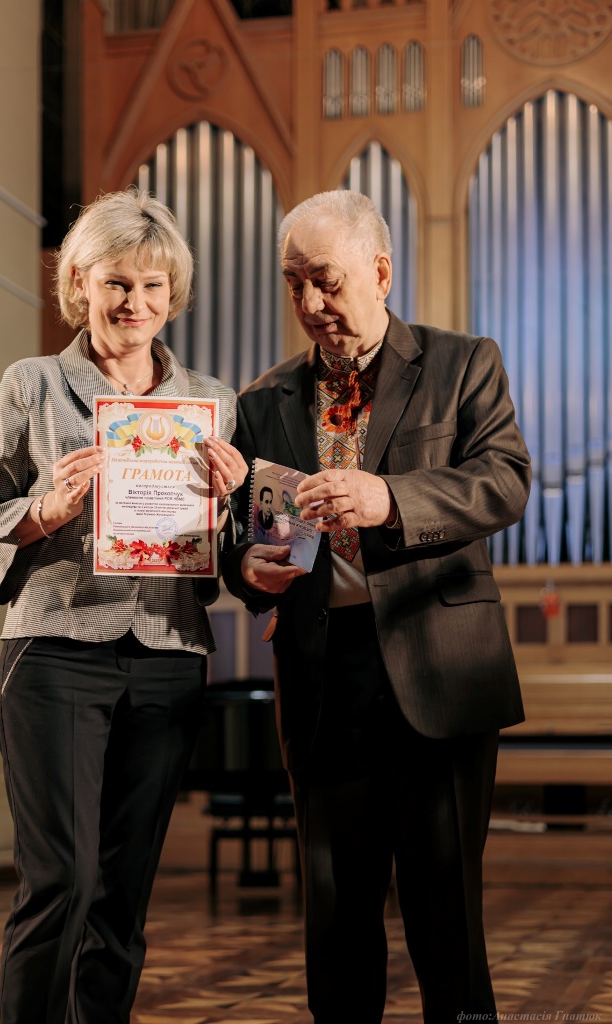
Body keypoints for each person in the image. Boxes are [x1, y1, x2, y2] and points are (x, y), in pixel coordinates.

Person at [222, 190, 530, 1023]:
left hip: (439, 664)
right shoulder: (262, 401)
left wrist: (388, 498)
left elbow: (505, 480)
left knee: (446, 913)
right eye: (293, 283)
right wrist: (248, 566)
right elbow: (242, 539)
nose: (309, 302)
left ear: (381, 272)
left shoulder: (463, 363)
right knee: (336, 912)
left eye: (325, 280)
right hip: (324, 674)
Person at [0, 189, 247, 1024]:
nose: (134, 304)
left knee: (123, 894)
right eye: (116, 282)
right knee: (62, 881)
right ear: (79, 283)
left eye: (153, 286)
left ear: (174, 293)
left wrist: (232, 506)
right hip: (54, 653)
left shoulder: (214, 404)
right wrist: (45, 510)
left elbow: (235, 552)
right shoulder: (33, 385)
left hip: (170, 656)